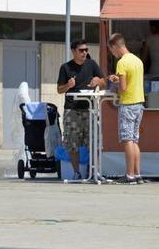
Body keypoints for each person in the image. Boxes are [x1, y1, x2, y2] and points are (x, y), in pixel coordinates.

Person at [57, 39, 105, 180]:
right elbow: (59, 90)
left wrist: (98, 81)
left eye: (86, 50)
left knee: (94, 141)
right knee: (73, 143)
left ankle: (94, 171)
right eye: (81, 50)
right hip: (72, 110)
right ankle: (76, 172)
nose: (84, 53)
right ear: (73, 51)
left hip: (90, 109)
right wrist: (68, 85)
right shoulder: (65, 67)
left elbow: (104, 83)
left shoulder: (92, 64)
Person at [107, 33, 146, 184]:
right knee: (135, 140)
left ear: (116, 46)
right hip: (139, 103)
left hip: (128, 104)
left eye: (112, 51)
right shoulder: (137, 60)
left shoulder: (122, 63)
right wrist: (118, 79)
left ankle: (129, 175)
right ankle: (137, 174)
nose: (113, 54)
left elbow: (122, 88)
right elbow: (131, 81)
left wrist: (114, 87)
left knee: (127, 139)